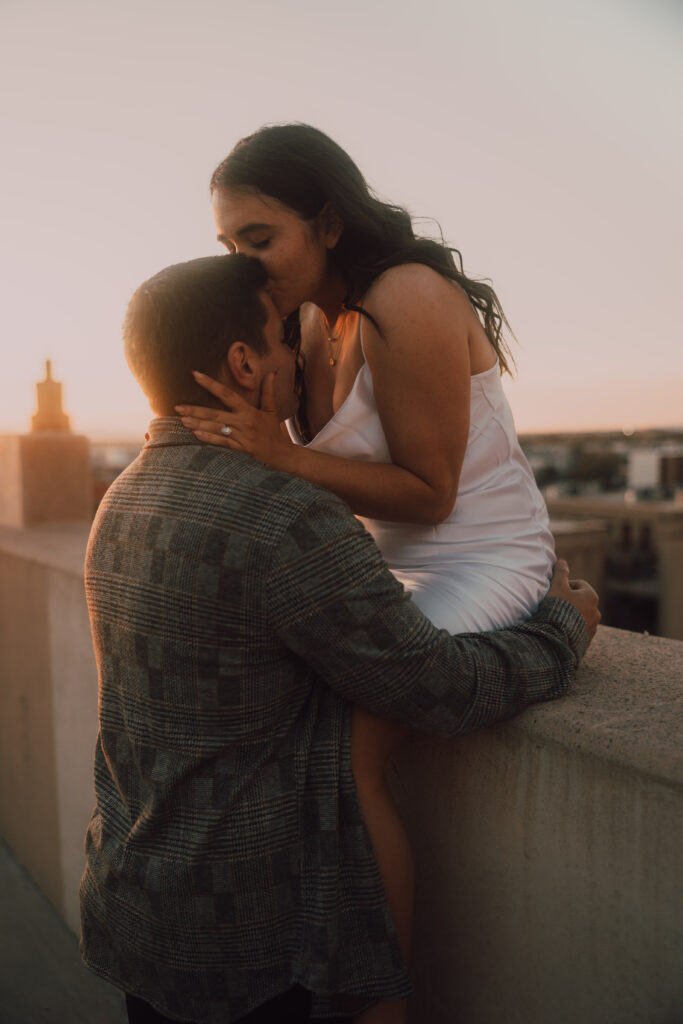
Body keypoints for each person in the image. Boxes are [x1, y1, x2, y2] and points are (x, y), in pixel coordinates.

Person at [80, 252, 599, 1024]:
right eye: (284, 338)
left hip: (139, 917)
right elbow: (440, 688)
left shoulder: (122, 500)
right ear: (243, 362)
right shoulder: (282, 517)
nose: (300, 354)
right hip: (248, 953)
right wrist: (564, 625)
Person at [174, 124, 558, 1020]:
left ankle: (378, 1006)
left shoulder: (407, 297)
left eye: (259, 239)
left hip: (481, 557)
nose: (244, 262)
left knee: (345, 761)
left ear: (330, 223)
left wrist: (281, 453)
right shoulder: (303, 321)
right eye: (228, 244)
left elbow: (429, 494)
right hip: (388, 567)